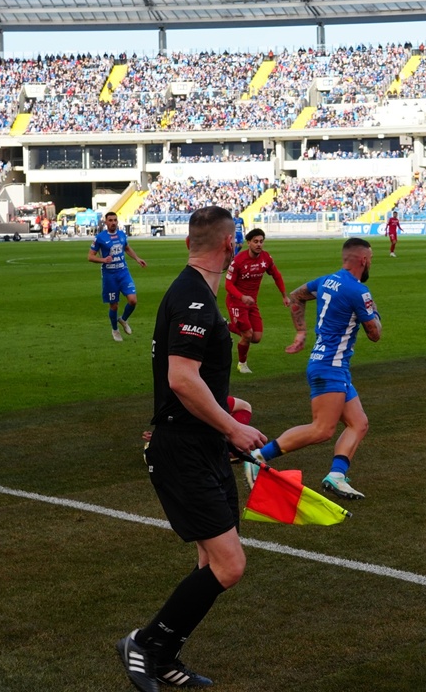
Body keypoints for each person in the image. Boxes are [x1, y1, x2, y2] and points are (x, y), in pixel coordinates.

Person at [117, 205, 268, 692]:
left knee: (211, 562)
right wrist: (232, 428)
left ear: (188, 242)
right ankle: (144, 643)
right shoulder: (194, 300)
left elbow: (190, 378)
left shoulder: (198, 293)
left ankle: (162, 656)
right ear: (230, 244)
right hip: (184, 450)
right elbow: (181, 379)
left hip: (202, 446)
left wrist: (225, 404)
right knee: (230, 564)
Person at [250, 237, 382, 500]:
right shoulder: (359, 291)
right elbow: (374, 334)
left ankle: (336, 476)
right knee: (322, 429)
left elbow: (296, 296)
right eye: (371, 259)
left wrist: (301, 332)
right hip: (330, 366)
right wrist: (374, 311)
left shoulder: (326, 281)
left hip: (331, 364)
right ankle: (258, 457)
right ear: (364, 260)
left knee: (359, 423)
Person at [224, 227, 300, 373]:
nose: (259, 244)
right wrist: (242, 297)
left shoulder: (266, 258)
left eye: (261, 241)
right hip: (236, 301)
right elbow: (228, 284)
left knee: (256, 337)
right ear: (248, 243)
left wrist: (284, 295)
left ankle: (224, 326)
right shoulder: (238, 261)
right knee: (247, 334)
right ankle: (242, 364)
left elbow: (276, 275)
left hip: (252, 302)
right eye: (255, 241)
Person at [88, 211, 147, 342]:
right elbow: (90, 256)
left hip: (123, 272)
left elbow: (127, 248)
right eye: (110, 220)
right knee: (114, 306)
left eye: (115, 220)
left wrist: (137, 258)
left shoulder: (121, 234)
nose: (113, 222)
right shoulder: (100, 238)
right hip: (109, 275)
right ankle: (115, 330)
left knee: (133, 300)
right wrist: (103, 260)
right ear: (106, 222)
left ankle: (123, 319)